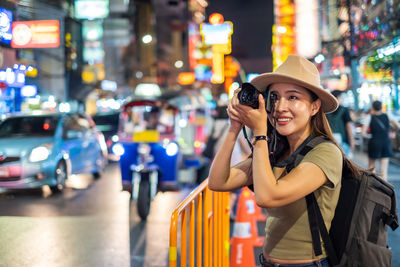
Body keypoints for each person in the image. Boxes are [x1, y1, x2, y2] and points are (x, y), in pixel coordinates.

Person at [208, 55, 359, 267]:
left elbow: (268, 197)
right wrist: (234, 127)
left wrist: (260, 134)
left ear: (314, 107)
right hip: (268, 262)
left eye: (293, 97)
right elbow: (217, 182)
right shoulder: (277, 151)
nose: (280, 107)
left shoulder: (326, 152)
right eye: (274, 97)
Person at [362, 100, 394, 180]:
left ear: (372, 107)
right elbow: (397, 126)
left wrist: (370, 136)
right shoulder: (387, 115)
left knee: (372, 168)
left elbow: (363, 133)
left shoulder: (369, 117)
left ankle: (373, 188)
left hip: (374, 143)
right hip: (385, 142)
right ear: (381, 107)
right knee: (384, 170)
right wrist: (393, 130)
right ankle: (385, 190)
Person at [326, 90, 355, 157]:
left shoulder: (326, 109)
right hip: (342, 139)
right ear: (338, 97)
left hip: (329, 138)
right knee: (343, 160)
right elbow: (348, 126)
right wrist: (352, 140)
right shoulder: (344, 109)